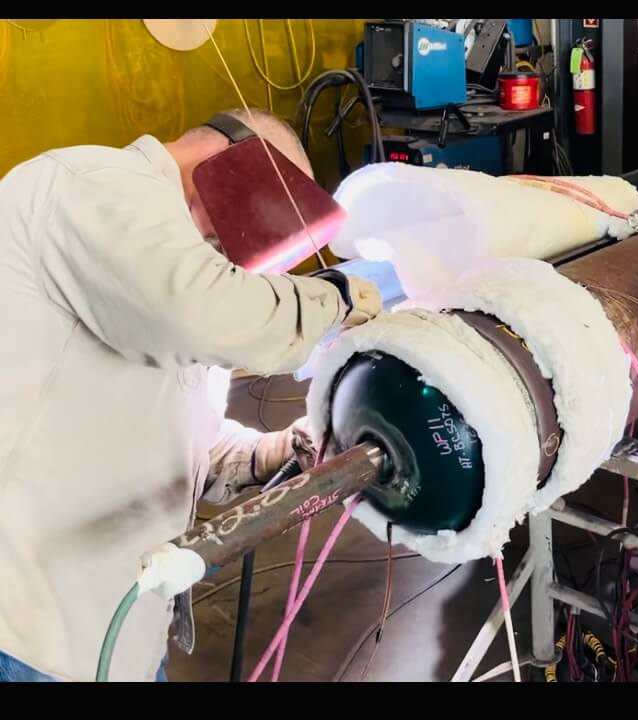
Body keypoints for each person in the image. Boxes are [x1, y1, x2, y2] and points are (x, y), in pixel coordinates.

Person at [0, 109, 381, 682]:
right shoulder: (93, 186)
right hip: (25, 632)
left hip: (119, 630)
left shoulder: (177, 266)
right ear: (236, 167)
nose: (239, 256)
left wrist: (272, 452)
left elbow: (186, 438)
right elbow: (212, 317)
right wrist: (336, 294)